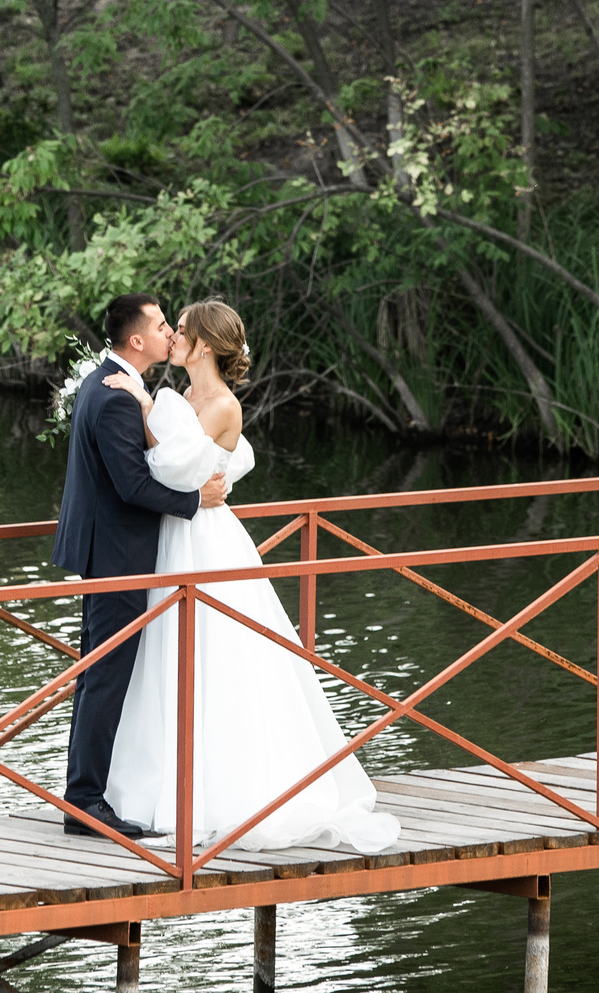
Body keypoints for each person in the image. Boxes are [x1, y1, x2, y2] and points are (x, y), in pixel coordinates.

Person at [101, 300, 400, 854]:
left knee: (219, 652)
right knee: (168, 655)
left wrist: (145, 405)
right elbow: (170, 466)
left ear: (206, 346)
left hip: (206, 541)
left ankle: (231, 790)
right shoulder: (187, 397)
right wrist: (154, 411)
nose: (173, 337)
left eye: (182, 331)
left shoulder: (220, 404)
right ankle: (163, 784)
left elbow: (167, 464)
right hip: (177, 534)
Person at [53, 292, 228, 839]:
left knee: (95, 674)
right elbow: (131, 485)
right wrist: (195, 501)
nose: (167, 334)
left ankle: (84, 796)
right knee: (104, 676)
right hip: (120, 559)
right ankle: (84, 803)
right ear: (137, 340)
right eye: (159, 325)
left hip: (109, 553)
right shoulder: (114, 397)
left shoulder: (108, 385)